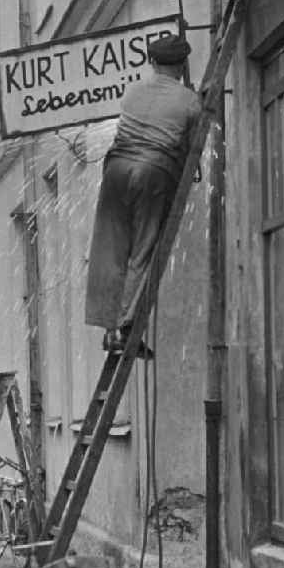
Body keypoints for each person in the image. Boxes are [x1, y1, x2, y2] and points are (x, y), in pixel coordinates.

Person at [85, 33, 201, 356]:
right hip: (153, 171)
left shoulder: (132, 93)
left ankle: (109, 330)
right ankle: (126, 327)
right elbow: (192, 148)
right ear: (182, 65)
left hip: (116, 169)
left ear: (152, 63)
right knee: (143, 250)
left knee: (111, 248)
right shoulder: (190, 100)